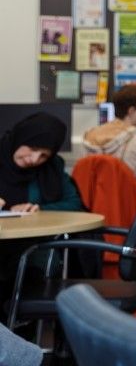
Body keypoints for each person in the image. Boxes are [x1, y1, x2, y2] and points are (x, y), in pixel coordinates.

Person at [0, 112, 82, 318]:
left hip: (31, 246)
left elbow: (73, 203)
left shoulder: (52, 167)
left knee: (37, 264)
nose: (35, 159)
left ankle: (19, 334)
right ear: (22, 138)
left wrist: (38, 208)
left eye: (44, 155)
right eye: (33, 149)